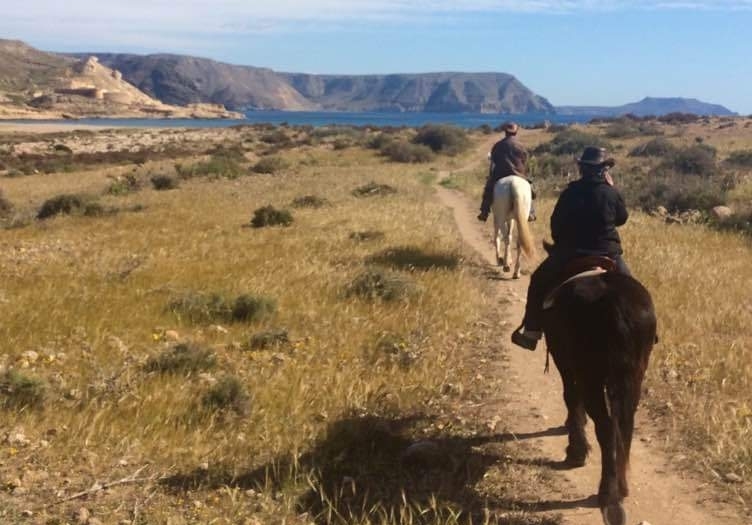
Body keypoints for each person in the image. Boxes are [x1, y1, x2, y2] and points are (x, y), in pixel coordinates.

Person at [511, 146, 630, 351]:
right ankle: (648, 333)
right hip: (608, 254)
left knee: (538, 281)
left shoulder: (570, 192)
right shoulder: (611, 192)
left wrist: (561, 243)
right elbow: (622, 218)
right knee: (632, 287)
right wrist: (612, 191)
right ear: (604, 170)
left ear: (582, 168)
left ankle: (531, 332)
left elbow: (556, 224)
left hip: (571, 253)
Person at [477, 122, 536, 222]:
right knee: (529, 190)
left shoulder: (498, 145)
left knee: (488, 189)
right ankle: (531, 212)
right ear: (516, 132)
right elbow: (525, 161)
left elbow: (493, 161)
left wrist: (491, 175)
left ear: (505, 132)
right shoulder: (521, 146)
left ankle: (484, 212)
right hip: (519, 174)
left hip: (500, 174)